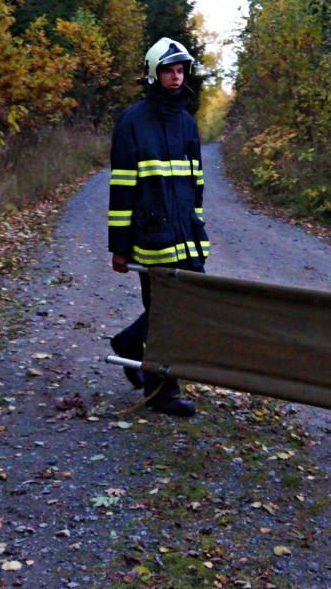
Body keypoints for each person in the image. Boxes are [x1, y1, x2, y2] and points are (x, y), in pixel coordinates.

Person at [107, 37, 207, 417]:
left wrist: (197, 225)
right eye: (169, 71)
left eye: (180, 70)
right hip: (153, 238)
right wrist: (120, 245)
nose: (176, 77)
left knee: (191, 303)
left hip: (187, 237)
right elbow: (122, 188)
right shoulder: (132, 122)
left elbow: (197, 185)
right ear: (153, 74)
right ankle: (163, 393)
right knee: (166, 313)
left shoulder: (187, 123)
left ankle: (131, 343)